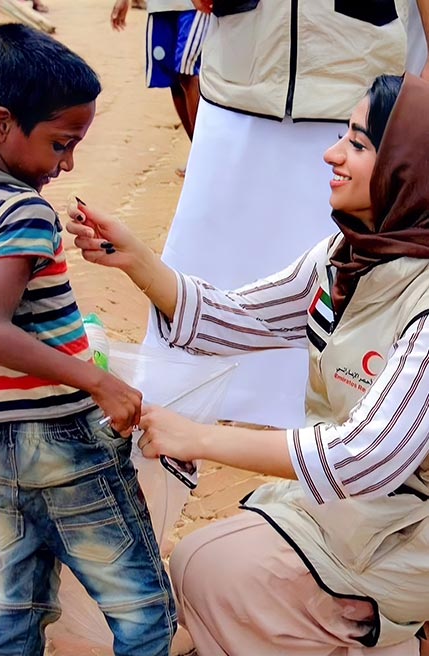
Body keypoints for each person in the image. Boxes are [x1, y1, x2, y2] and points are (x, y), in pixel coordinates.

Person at [68, 73, 429, 654]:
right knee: (197, 568)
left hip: (405, 534)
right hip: (351, 514)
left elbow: (364, 457)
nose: (331, 154)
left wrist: (198, 438)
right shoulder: (351, 254)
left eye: (358, 145)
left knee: (213, 574)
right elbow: (238, 317)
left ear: (409, 165)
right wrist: (136, 259)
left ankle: (378, 632)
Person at [144, 0, 429, 428]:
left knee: (342, 298)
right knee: (184, 369)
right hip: (238, 85)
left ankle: (345, 428)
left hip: (351, 94)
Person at [0, 23, 176, 655]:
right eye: (60, 144)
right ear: (0, 124)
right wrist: (100, 380)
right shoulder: (23, 210)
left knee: (13, 606)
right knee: (143, 610)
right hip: (60, 439)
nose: (66, 164)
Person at [111, 0, 209, 157]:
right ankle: (198, 157)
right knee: (174, 78)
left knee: (187, 71)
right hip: (161, 5)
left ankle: (205, 156)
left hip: (195, 5)